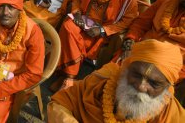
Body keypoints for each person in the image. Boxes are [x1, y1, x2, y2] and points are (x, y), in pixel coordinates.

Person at [53, 0, 139, 91]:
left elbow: (128, 20)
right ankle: (69, 77)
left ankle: (68, 76)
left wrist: (103, 30)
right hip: (82, 22)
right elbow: (77, 0)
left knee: (74, 38)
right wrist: (78, 13)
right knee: (68, 25)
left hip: (102, 32)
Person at [48, 39, 185, 122]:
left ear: (167, 87)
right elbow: (60, 103)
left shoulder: (170, 113)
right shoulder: (102, 80)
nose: (141, 86)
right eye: (136, 74)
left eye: (154, 83)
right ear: (126, 68)